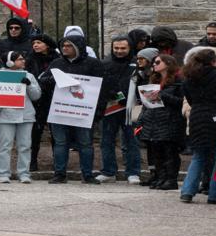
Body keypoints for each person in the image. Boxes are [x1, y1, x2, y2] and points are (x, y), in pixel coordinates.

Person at [36, 30, 107, 184]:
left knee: (85, 143)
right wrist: (50, 81)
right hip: (60, 110)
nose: (65, 48)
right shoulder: (57, 63)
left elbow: (101, 88)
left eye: (69, 46)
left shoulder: (93, 64)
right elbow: (44, 81)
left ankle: (87, 174)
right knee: (61, 143)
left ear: (79, 47)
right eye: (63, 45)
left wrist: (99, 110)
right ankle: (59, 174)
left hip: (84, 112)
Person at [174, 47, 216, 205]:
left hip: (197, 117)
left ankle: (187, 191)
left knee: (199, 156)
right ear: (214, 61)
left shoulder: (189, 77)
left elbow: (189, 99)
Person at [134, 52, 184, 191]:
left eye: (157, 62)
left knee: (169, 152)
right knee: (156, 151)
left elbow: (182, 102)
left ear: (168, 64)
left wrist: (163, 95)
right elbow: (146, 104)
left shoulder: (178, 82)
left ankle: (171, 179)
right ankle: (161, 177)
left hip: (170, 121)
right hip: (153, 120)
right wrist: (141, 120)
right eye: (154, 63)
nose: (154, 65)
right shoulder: (153, 81)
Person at [0, 51, 41, 184]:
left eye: (23, 59)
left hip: (26, 115)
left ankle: (24, 173)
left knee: (25, 145)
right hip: (5, 115)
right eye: (20, 59)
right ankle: (3, 173)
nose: (23, 61)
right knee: (5, 145)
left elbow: (36, 96)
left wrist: (29, 85)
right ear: (10, 62)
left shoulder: (28, 75)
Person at [98, 35, 140, 183]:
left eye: (123, 48)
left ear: (129, 48)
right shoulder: (104, 63)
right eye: (116, 48)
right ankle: (109, 171)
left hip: (131, 108)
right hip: (110, 107)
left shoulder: (137, 64)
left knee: (131, 140)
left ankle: (133, 172)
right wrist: (111, 93)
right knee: (106, 140)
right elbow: (99, 84)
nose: (119, 51)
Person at [25, 33, 55, 172]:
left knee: (56, 133)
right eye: (34, 43)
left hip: (53, 99)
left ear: (47, 45)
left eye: (38, 42)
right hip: (37, 100)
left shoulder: (56, 59)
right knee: (35, 133)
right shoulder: (30, 59)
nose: (35, 45)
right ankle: (32, 161)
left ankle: (58, 161)